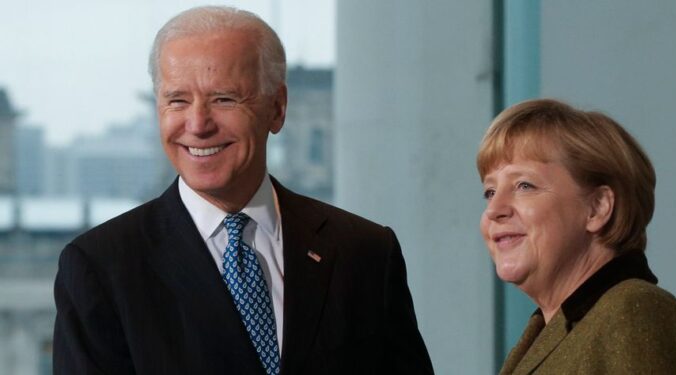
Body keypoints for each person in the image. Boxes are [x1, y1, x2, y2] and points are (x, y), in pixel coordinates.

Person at [53, 6, 433, 375]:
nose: (198, 124)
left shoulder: (365, 252)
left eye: (224, 99)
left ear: (278, 108)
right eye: (178, 100)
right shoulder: (101, 267)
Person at [477, 99, 676, 374]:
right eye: (490, 192)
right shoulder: (545, 332)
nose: (494, 210)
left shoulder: (634, 313)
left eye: (524, 185)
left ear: (597, 207)